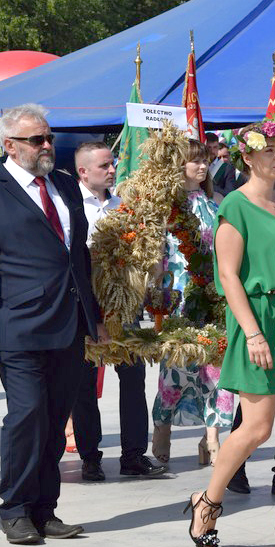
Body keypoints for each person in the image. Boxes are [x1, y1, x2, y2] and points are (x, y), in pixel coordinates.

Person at [0, 103, 110, 544]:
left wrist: (93, 316)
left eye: (48, 137)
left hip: (69, 322)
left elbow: (77, 256)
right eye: (36, 140)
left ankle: (45, 508)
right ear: (9, 145)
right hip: (17, 325)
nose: (47, 146)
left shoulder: (62, 183)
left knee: (57, 416)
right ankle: (16, 508)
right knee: (26, 416)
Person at [185, 116, 275, 547]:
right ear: (246, 156)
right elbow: (227, 275)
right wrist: (252, 332)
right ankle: (207, 501)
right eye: (270, 150)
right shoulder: (236, 206)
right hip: (257, 316)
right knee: (259, 427)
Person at [71, 142, 167, 482]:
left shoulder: (122, 206)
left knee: (132, 376)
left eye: (112, 164)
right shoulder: (71, 206)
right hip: (83, 304)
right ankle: (89, 457)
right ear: (83, 171)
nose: (112, 170)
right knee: (83, 383)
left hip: (123, 304)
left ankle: (133, 455)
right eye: (104, 166)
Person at [151, 139, 234, 466]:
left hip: (215, 289)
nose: (202, 167)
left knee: (216, 362)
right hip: (180, 292)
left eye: (204, 160)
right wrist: (156, 289)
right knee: (177, 365)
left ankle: (211, 437)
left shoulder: (218, 201)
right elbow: (156, 253)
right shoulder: (167, 206)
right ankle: (163, 427)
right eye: (194, 161)